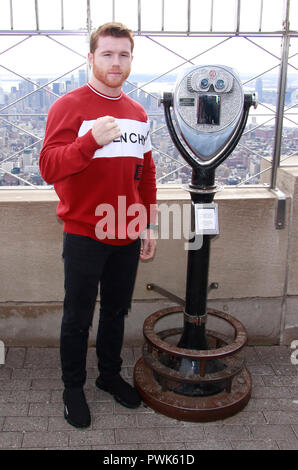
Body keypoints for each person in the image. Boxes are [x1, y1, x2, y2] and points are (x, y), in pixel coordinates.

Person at [39, 22, 157, 428]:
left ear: (130, 60)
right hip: (84, 233)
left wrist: (149, 224)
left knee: (116, 311)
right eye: (107, 54)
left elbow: (146, 175)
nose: (115, 62)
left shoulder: (138, 112)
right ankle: (73, 387)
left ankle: (109, 376)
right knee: (78, 315)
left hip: (126, 231)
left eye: (123, 55)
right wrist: (89, 142)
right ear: (91, 58)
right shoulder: (68, 106)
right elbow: (48, 167)